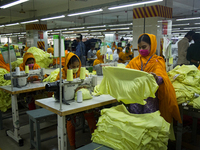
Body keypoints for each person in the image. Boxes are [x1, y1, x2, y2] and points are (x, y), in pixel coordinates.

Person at [126, 33, 182, 124]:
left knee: (149, 121)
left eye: (144, 47)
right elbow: (126, 73)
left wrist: (156, 78)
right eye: (139, 47)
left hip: (150, 97)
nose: (141, 50)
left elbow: (162, 78)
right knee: (135, 121)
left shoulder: (158, 60)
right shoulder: (134, 61)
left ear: (152, 46)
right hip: (136, 96)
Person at [55, 52, 96, 150]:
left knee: (90, 114)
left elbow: (87, 82)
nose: (76, 68)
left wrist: (84, 87)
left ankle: (95, 140)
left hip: (80, 100)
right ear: (68, 65)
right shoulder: (62, 73)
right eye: (73, 66)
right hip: (68, 101)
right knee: (70, 120)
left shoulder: (81, 72)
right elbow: (57, 88)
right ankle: (72, 146)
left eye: (78, 66)